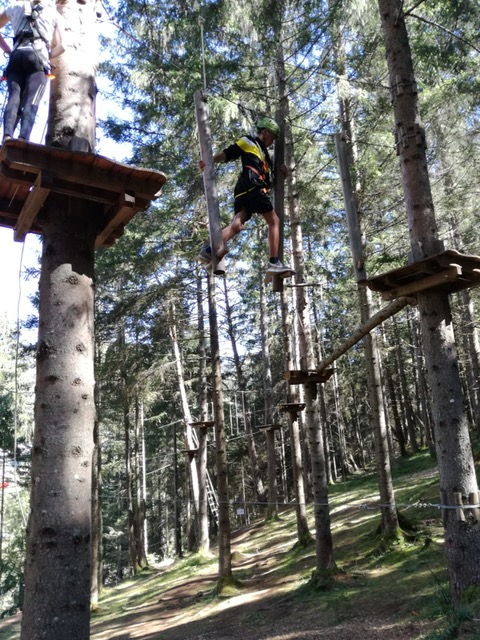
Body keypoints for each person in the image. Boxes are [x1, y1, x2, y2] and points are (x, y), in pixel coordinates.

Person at [198, 116, 295, 277]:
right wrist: (209, 161)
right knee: (274, 221)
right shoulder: (249, 141)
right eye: (271, 136)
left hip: (245, 189)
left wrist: (283, 176)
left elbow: (269, 183)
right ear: (264, 132)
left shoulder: (265, 157)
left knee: (237, 225)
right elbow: (228, 154)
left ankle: (208, 251)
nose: (272, 141)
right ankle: (274, 262)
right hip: (252, 185)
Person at [0, 0, 64, 143]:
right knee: (32, 101)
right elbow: (62, 46)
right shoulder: (54, 14)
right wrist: (48, 56)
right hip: (38, 60)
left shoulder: (15, 6)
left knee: (14, 97)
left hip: (16, 57)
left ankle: (7, 136)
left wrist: (8, 50)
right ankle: (23, 138)